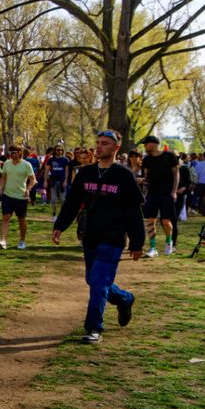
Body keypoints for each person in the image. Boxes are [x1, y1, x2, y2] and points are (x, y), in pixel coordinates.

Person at [53, 130, 142, 344]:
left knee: (99, 283)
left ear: (116, 148)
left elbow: (133, 212)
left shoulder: (124, 175)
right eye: (98, 143)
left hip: (113, 238)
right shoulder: (86, 173)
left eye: (105, 143)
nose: (99, 147)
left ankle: (94, 328)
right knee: (93, 280)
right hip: (90, 235)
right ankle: (125, 298)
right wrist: (60, 226)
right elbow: (72, 203)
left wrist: (137, 242)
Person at [138, 135, 178, 257]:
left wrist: (174, 191)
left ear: (154, 144)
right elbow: (147, 177)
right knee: (150, 220)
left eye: (146, 144)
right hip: (152, 194)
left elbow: (176, 174)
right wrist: (142, 187)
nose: (145, 147)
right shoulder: (147, 160)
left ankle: (169, 243)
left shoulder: (169, 156)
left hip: (167, 193)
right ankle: (153, 247)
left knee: (165, 221)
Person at [0, 144, 35, 249]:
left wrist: (28, 189)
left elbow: (33, 180)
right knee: (6, 217)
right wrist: (0, 187)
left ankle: (22, 241)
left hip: (21, 196)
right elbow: (3, 178)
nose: (11, 155)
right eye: (10, 153)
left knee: (21, 219)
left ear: (19, 152)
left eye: (13, 153)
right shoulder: (7, 164)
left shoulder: (26, 165)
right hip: (8, 195)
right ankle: (3, 240)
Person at [44, 145, 70, 217]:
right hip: (53, 181)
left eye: (61, 149)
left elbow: (67, 171)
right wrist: (45, 181)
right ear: (55, 151)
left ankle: (62, 215)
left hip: (62, 182)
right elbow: (46, 170)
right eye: (58, 150)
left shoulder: (65, 160)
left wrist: (66, 180)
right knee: (53, 199)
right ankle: (54, 214)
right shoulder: (51, 160)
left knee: (63, 200)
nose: (59, 151)